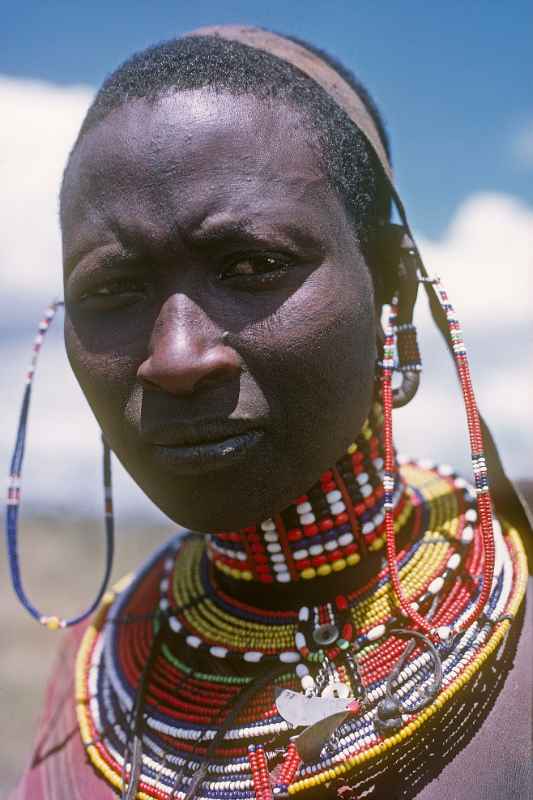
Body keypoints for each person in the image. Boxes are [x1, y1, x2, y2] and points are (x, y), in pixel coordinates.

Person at [8, 25, 532, 800]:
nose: (177, 358)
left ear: (388, 284)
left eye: (252, 266)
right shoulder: (90, 681)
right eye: (112, 291)